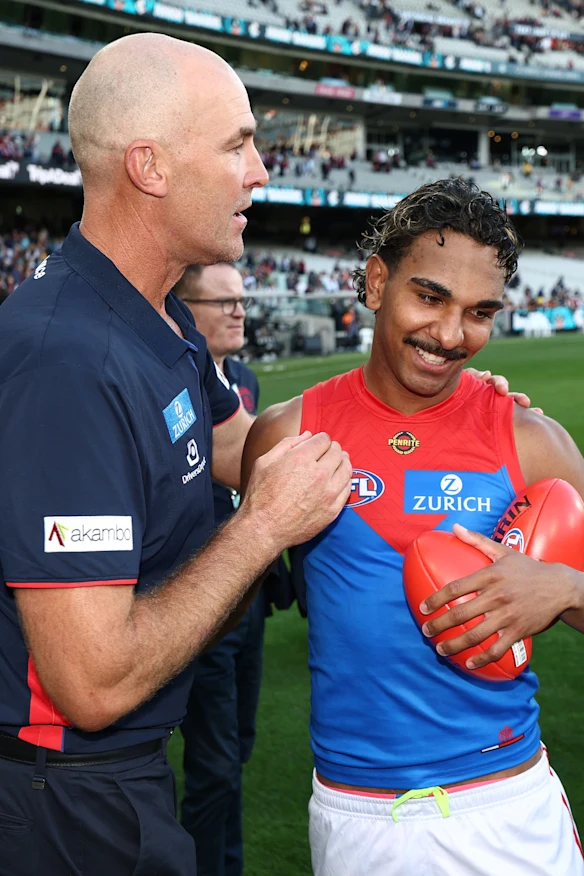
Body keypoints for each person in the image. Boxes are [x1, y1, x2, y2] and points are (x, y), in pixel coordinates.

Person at [0, 33, 353, 876]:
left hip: (116, 780)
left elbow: (241, 445)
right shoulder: (67, 364)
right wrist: (262, 527)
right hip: (66, 803)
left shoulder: (156, 316)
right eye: (237, 144)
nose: (261, 170)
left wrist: (421, 400)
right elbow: (93, 684)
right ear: (150, 167)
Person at [242, 179, 584, 876]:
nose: (453, 335)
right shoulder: (285, 434)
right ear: (375, 282)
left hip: (507, 806)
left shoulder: (530, 438)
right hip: (355, 814)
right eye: (429, 298)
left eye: (480, 312)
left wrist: (561, 587)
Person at [174, 262, 270, 876]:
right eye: (223, 301)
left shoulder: (245, 381)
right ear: (185, 309)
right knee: (213, 768)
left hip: (252, 597)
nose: (238, 311)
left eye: (242, 300)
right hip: (201, 603)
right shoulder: (174, 387)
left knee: (237, 748)